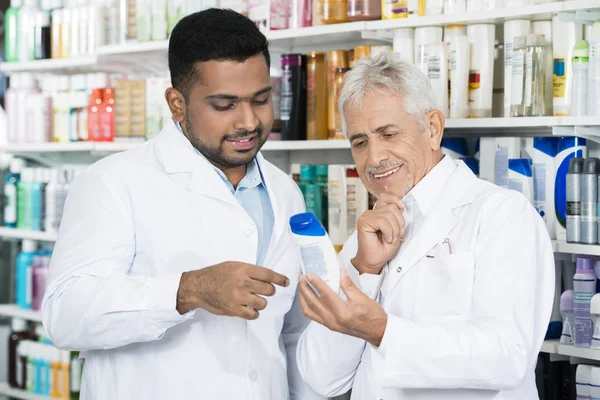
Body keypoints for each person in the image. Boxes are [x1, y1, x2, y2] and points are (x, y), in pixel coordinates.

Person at [41, 9, 323, 400]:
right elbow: (65, 315)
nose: (248, 122)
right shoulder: (113, 183)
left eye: (260, 100)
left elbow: (292, 335)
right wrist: (188, 290)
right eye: (224, 105)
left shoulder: (284, 191)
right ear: (177, 103)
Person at [296, 51, 555, 399]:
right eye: (360, 142)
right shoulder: (365, 237)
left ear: (432, 128)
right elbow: (322, 377)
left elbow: (509, 357)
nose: (373, 158)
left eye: (388, 134)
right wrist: (365, 270)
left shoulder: (501, 214)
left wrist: (383, 330)